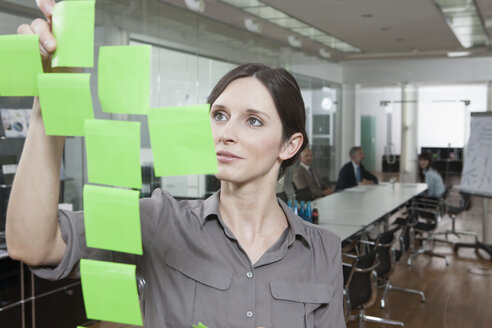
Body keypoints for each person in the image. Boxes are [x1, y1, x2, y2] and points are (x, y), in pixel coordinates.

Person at [6, 2, 345, 327]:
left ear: (290, 145)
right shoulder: (160, 221)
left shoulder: (322, 250)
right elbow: (33, 245)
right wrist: (50, 100)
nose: (225, 133)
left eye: (253, 121)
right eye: (219, 115)